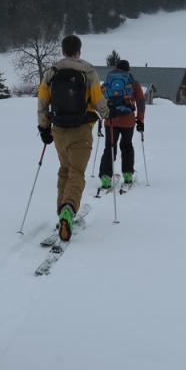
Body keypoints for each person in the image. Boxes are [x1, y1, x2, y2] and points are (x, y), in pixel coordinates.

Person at [36, 35, 109, 241]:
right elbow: (98, 100)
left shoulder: (52, 72)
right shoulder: (88, 71)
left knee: (64, 170)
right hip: (81, 129)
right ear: (79, 51)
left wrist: (43, 127)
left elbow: (42, 100)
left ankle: (62, 211)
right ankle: (68, 208)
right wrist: (106, 114)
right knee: (77, 173)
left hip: (58, 130)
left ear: (62, 50)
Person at [99, 59, 145, 189]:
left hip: (110, 120)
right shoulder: (133, 83)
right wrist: (140, 120)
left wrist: (102, 115)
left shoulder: (108, 81)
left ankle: (106, 177)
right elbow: (141, 102)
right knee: (126, 146)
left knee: (110, 147)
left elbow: (100, 97)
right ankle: (128, 174)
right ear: (128, 69)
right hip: (128, 121)